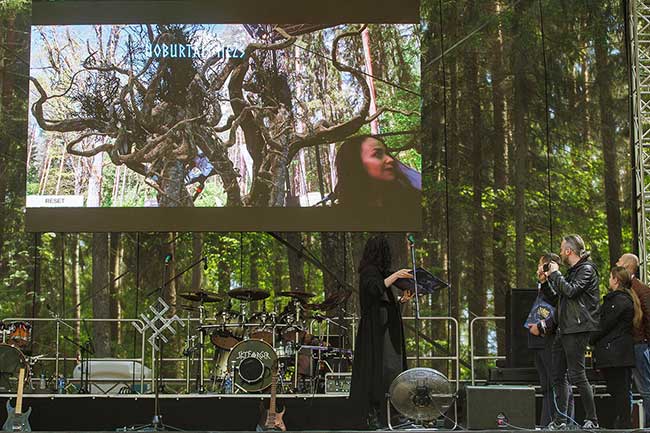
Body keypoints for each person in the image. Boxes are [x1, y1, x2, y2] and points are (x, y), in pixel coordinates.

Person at [349, 235, 414, 428]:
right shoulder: (369, 272)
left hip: (386, 329)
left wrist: (401, 301)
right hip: (376, 332)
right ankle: (379, 416)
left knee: (392, 370)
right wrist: (395, 276)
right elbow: (374, 291)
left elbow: (383, 301)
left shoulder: (378, 272)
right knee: (381, 371)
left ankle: (394, 416)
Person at [540, 234, 600, 429]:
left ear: (568, 251)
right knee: (557, 375)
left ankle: (592, 419)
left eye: (561, 248)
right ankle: (561, 420)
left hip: (578, 328)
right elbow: (559, 297)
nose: (559, 252)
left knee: (577, 374)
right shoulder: (573, 271)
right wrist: (545, 280)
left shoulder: (587, 270)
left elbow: (572, 291)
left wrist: (556, 274)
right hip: (564, 329)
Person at [590, 266, 642, 428]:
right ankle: (621, 423)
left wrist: (591, 338)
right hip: (616, 353)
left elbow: (605, 325)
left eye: (610, 277)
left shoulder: (619, 301)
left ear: (616, 280)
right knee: (619, 390)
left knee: (620, 391)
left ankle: (624, 424)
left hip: (616, 354)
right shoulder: (621, 299)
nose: (609, 280)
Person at [529, 253, 565, 426]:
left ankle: (562, 421)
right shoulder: (543, 284)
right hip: (538, 341)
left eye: (542, 265)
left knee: (556, 383)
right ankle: (546, 423)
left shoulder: (558, 284)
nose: (539, 269)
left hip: (550, 339)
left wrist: (543, 327)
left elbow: (558, 308)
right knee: (546, 387)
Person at [334, 135, 420, 207]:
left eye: (387, 153)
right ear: (355, 163)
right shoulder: (338, 219)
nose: (390, 159)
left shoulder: (414, 202)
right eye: (378, 154)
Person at [616, 253, 650, 427]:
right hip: (626, 346)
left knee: (645, 388)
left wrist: (646, 342)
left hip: (638, 344)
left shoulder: (641, 289)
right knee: (626, 388)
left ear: (628, 266)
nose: (617, 262)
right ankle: (625, 424)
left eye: (620, 261)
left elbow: (649, 317)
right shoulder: (620, 289)